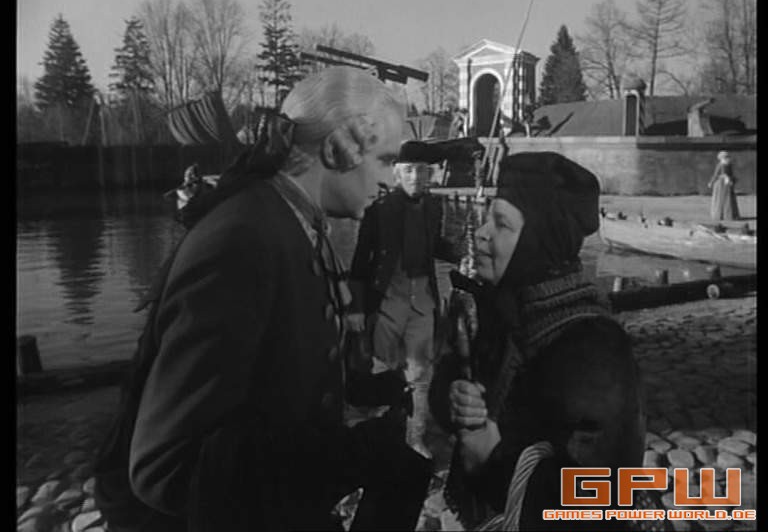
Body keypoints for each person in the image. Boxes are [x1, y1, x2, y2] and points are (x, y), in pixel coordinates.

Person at [93, 67, 433, 532]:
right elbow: (165, 468)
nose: (391, 180)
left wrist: (365, 389)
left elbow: (270, 370)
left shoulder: (293, 222)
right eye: (386, 159)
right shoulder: (243, 241)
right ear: (339, 146)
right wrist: (350, 457)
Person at [429, 152, 652, 531]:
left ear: (540, 241)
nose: (481, 232)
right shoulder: (499, 310)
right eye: (488, 218)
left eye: (501, 223)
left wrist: (495, 458)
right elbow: (452, 381)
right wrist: (453, 397)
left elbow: (601, 495)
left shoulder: (594, 349)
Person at [347, 140, 462, 451]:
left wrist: (456, 251)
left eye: (422, 171)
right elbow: (360, 262)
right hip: (387, 300)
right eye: (409, 170)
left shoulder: (434, 208)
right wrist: (356, 308)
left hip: (423, 301)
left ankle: (415, 439)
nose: (416, 177)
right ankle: (380, 437)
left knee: (421, 374)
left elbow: (432, 246)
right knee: (382, 369)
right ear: (397, 174)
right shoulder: (378, 211)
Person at [708, 150, 740, 221]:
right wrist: (711, 182)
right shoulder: (720, 165)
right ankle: (720, 215)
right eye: (725, 157)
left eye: (728, 157)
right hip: (720, 185)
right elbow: (716, 175)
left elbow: (731, 174)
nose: (727, 158)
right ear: (721, 158)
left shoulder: (729, 165)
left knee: (728, 199)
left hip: (727, 185)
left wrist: (733, 180)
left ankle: (730, 215)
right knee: (721, 199)